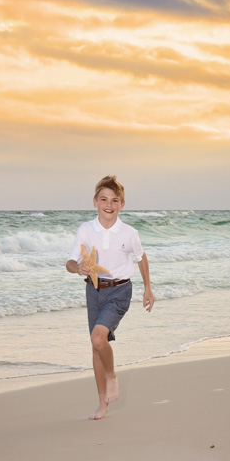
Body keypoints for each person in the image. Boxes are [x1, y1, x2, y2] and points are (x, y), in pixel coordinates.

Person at [66, 175, 154, 420]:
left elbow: (141, 258)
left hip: (119, 290)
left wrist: (148, 287)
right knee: (96, 347)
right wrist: (79, 269)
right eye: (104, 199)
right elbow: (70, 262)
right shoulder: (86, 230)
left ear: (121, 205)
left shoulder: (128, 233)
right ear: (95, 201)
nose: (109, 204)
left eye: (114, 200)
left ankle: (112, 375)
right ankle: (102, 403)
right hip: (93, 289)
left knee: (97, 338)